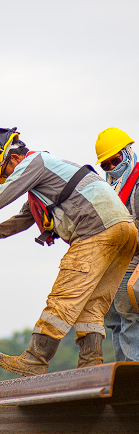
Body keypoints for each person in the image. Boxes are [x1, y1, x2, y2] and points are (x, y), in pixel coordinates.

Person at [0, 127, 137, 378]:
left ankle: (36, 359)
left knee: (63, 297)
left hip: (96, 230)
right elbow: (23, 219)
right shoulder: (50, 172)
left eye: (4, 173)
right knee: (92, 304)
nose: (7, 180)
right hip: (126, 232)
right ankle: (90, 364)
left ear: (14, 158)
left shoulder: (34, 163)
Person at [95, 127, 139, 361]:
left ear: (128, 153)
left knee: (130, 320)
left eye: (116, 160)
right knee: (114, 321)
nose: (112, 167)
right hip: (113, 266)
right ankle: (124, 376)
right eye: (106, 165)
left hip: (133, 265)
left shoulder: (137, 184)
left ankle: (133, 379)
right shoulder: (109, 191)